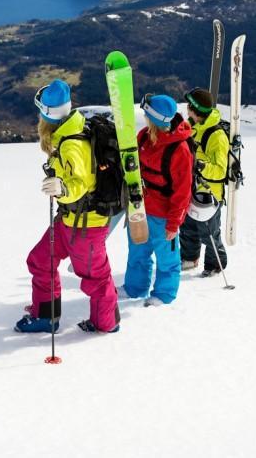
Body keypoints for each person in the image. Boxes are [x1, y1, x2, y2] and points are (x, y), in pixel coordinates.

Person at [15, 79, 120, 334]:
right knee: (41, 260)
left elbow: (82, 182)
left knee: (95, 278)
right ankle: (46, 316)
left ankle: (107, 323)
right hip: (68, 220)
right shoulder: (66, 132)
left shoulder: (72, 143)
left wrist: (62, 188)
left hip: (86, 226)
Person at [118, 94, 193, 306]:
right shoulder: (144, 136)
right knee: (138, 252)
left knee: (167, 259)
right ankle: (134, 288)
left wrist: (174, 223)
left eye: (147, 114)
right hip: (140, 207)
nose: (144, 117)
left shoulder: (180, 150)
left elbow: (182, 192)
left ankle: (164, 294)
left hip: (163, 213)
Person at [180, 87, 229, 276]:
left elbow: (219, 171)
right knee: (187, 227)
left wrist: (199, 165)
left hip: (209, 194)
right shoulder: (190, 127)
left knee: (209, 232)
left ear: (196, 109)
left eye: (189, 106)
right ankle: (189, 259)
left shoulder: (216, 136)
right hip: (190, 188)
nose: (186, 109)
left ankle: (216, 264)